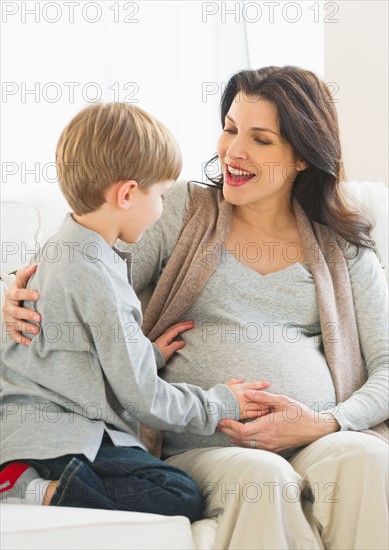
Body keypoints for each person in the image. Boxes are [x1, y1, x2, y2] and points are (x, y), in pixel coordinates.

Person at [4, 67, 388, 549]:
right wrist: (16, 295)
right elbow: (85, 266)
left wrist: (326, 421)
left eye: (260, 139)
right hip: (204, 448)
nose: (233, 151)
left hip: (314, 439)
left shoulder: (344, 245)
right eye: (229, 128)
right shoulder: (183, 210)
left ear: (302, 158)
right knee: (261, 477)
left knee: (368, 458)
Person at [0, 102, 270, 518]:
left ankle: (25, 477)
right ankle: (31, 490)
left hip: (26, 430)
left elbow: (82, 352)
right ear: (127, 194)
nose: (163, 206)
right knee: (178, 494)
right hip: (61, 437)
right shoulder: (99, 276)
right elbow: (143, 398)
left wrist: (150, 354)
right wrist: (221, 403)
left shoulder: (61, 246)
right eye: (160, 194)